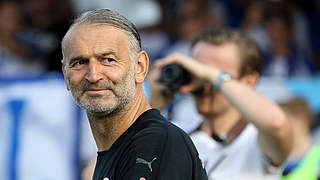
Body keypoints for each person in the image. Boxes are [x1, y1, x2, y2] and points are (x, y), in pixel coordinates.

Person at [61, 9, 207, 180]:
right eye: (80, 62)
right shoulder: (119, 148)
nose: (93, 76)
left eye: (108, 60)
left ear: (140, 67)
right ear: (65, 74)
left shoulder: (155, 143)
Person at [149, 29, 293, 179]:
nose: (205, 83)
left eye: (218, 73)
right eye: (195, 71)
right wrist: (155, 107)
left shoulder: (255, 139)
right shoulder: (177, 136)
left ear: (249, 80)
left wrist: (211, 75)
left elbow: (276, 124)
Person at [279, 97, 320, 179]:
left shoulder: (317, 158)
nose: (279, 128)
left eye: (284, 121)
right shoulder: (275, 160)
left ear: (300, 121)